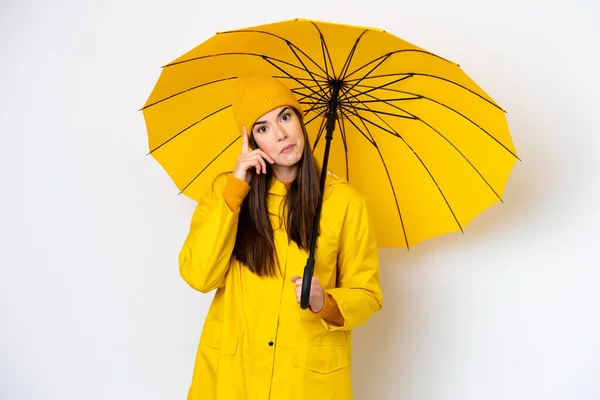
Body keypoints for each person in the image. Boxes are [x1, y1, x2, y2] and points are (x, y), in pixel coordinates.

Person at [178, 74, 383, 399]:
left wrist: (325, 302)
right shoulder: (225, 191)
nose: (281, 134)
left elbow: (368, 294)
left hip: (305, 381)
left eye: (285, 116)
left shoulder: (345, 202)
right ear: (252, 141)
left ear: (300, 121)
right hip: (233, 376)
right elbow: (198, 276)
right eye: (263, 127)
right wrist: (236, 190)